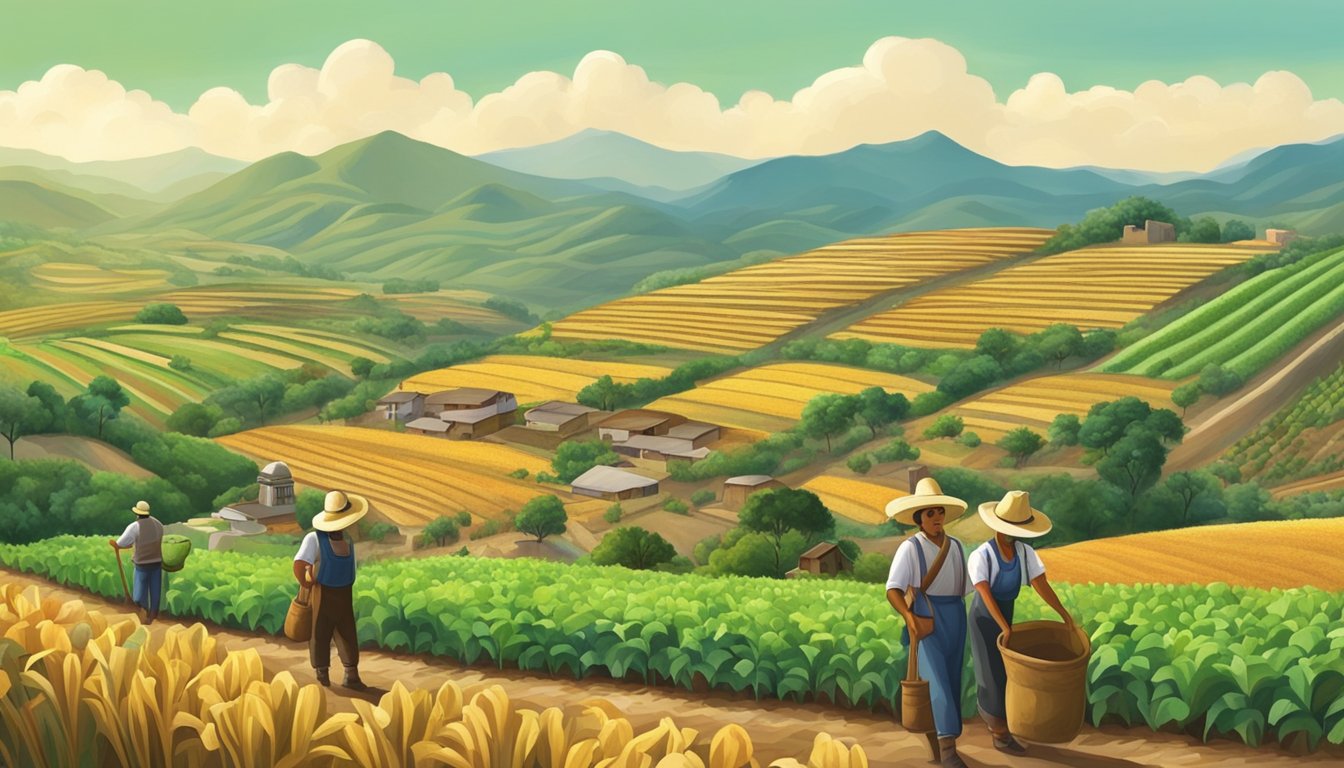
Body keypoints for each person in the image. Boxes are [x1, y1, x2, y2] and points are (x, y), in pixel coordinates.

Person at [968, 490, 1075, 755]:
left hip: (1007, 614)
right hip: (984, 617)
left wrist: (1064, 614)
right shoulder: (982, 555)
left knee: (1008, 674)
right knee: (990, 672)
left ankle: (1009, 725)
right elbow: (984, 592)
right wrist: (1003, 626)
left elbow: (1041, 584)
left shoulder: (1024, 553)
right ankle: (998, 733)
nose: (1012, 534)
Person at [884, 478, 972, 768]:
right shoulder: (911, 549)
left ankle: (942, 741)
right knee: (937, 681)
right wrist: (909, 617)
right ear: (919, 519)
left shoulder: (957, 546)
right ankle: (948, 751)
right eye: (930, 513)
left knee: (952, 678)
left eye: (939, 512)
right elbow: (893, 589)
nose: (936, 518)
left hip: (956, 616)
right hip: (926, 616)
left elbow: (966, 587)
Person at [293, 490, 370, 690]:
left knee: (347, 633)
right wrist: (307, 583)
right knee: (320, 632)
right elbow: (300, 564)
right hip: (324, 593)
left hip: (344, 594)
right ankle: (322, 672)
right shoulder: (315, 539)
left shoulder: (348, 542)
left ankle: (350, 673)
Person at [109, 500, 165, 624]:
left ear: (137, 513)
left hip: (142, 564)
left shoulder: (135, 526)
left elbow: (122, 542)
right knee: (155, 590)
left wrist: (116, 545)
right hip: (156, 562)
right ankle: (154, 614)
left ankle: (143, 612)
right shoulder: (158, 524)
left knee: (140, 592)